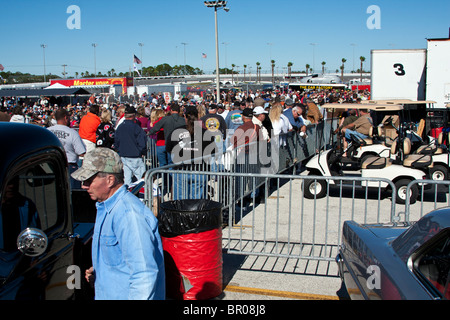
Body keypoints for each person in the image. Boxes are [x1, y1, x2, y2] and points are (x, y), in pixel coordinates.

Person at [71, 148, 165, 300]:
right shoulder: (107, 207)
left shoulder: (128, 215)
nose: (84, 186)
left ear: (110, 180)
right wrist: (102, 272)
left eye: (89, 180)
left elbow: (144, 274)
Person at [169, 106, 215, 200]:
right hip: (199, 170)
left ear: (184, 116)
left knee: (181, 200)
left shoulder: (176, 132)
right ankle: (194, 214)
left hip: (182, 169)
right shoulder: (205, 133)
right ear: (198, 116)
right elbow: (212, 151)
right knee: (196, 200)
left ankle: (182, 214)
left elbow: (169, 149)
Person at [48, 109, 86, 189]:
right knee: (72, 194)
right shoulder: (72, 133)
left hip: (50, 166)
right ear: (66, 118)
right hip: (69, 166)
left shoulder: (48, 131)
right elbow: (81, 152)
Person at [115, 105, 147, 186]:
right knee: (143, 179)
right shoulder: (136, 127)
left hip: (124, 155)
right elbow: (142, 142)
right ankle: (143, 196)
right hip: (134, 156)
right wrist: (142, 151)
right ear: (133, 115)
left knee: (127, 179)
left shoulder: (120, 127)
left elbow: (116, 142)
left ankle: (128, 195)